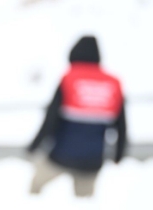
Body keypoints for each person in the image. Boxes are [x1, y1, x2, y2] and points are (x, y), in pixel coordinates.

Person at [27, 35, 127, 197]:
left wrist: (34, 145)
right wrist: (118, 155)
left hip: (60, 156)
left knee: (35, 187)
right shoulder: (113, 84)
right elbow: (121, 126)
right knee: (85, 206)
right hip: (92, 160)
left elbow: (50, 119)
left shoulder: (69, 79)